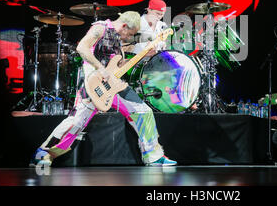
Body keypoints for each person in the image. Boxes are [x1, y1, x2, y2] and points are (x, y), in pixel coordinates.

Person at [30, 11, 177, 167]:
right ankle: (43, 153)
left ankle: (153, 157)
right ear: (124, 25)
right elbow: (82, 48)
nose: (128, 38)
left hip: (114, 85)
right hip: (94, 85)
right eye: (130, 34)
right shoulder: (100, 28)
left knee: (143, 112)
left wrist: (145, 53)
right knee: (76, 123)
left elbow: (119, 65)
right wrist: (100, 68)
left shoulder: (118, 40)